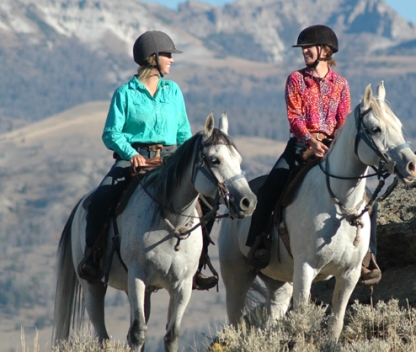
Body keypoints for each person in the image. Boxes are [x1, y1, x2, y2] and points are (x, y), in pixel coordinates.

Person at [78, 30, 218, 290]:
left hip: (170, 158)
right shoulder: (125, 93)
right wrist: (131, 155)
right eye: (167, 55)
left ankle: (197, 266)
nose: (171, 60)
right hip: (134, 157)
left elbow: (183, 133)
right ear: (152, 58)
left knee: (207, 201)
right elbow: (111, 133)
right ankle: (93, 258)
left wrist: (183, 158)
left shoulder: (173, 91)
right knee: (100, 200)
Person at [245, 25, 381, 285]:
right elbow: (294, 117)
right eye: (303, 48)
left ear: (325, 50)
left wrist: (334, 144)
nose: (304, 51)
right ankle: (259, 243)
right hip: (300, 146)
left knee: (369, 201)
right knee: (270, 187)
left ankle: (367, 257)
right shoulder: (296, 79)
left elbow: (343, 121)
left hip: (333, 148)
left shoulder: (341, 84)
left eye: (309, 47)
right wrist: (310, 140)